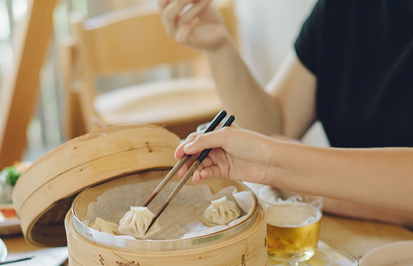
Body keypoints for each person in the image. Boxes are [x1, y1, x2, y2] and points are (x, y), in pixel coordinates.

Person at [159, 0, 413, 228]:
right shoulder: (346, 7)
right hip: (357, 235)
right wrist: (218, 47)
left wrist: (282, 166)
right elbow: (274, 125)